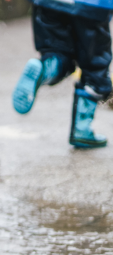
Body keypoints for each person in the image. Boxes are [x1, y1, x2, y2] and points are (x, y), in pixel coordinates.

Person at [12, 0, 113, 148]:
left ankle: (44, 68)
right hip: (92, 5)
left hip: (49, 3)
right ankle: (81, 129)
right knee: (95, 68)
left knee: (57, 52)